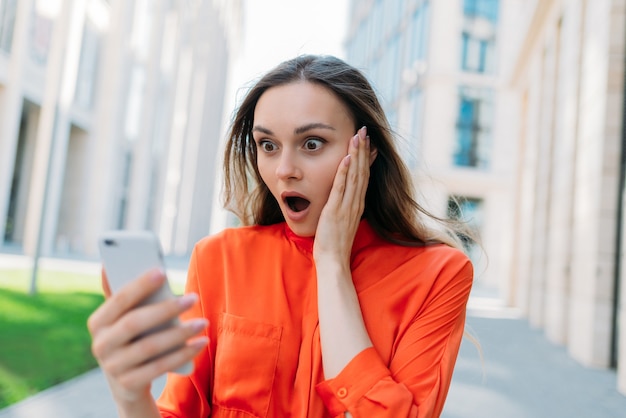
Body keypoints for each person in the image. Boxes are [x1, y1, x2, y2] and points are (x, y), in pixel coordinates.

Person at [87, 54, 474, 418]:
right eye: (268, 145)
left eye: (311, 144)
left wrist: (332, 264)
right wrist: (130, 395)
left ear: (365, 151)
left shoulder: (438, 273)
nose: (284, 170)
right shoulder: (218, 259)